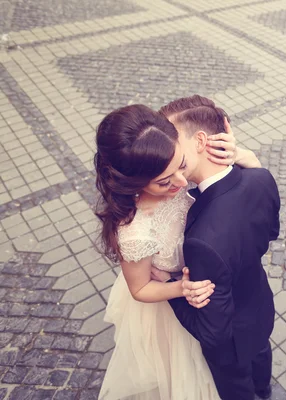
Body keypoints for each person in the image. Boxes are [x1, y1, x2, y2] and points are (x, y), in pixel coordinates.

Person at [95, 101, 261, 399]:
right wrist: (180, 288)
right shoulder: (135, 232)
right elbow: (140, 288)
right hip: (169, 309)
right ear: (132, 183)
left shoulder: (162, 158)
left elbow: (192, 120)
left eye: (180, 165)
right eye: (164, 182)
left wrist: (238, 154)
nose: (182, 182)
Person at [162, 96, 280, 400]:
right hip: (260, 308)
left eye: (171, 140)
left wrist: (170, 288)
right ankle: (264, 392)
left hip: (231, 343)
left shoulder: (201, 241)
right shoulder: (260, 176)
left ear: (200, 141)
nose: (164, 150)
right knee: (261, 362)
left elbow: (212, 334)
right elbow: (270, 233)